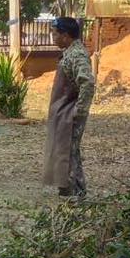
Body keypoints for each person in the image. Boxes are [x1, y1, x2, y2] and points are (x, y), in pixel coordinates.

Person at [42, 16, 95, 199]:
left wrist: (79, 111)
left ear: (65, 35)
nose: (53, 38)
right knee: (61, 148)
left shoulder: (77, 54)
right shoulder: (70, 52)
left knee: (70, 151)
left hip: (70, 112)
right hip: (63, 110)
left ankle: (77, 193)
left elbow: (87, 83)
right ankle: (65, 188)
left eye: (55, 34)